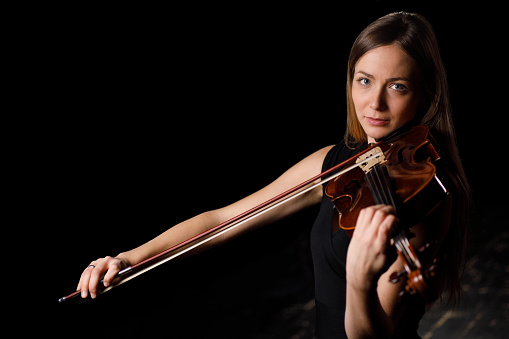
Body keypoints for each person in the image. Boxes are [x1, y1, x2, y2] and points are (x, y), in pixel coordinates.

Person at [76, 12, 470, 339]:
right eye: (364, 80)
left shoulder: (426, 198)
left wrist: (359, 282)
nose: (374, 103)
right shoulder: (339, 161)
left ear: (426, 95)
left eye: (397, 87)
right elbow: (223, 219)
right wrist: (130, 257)